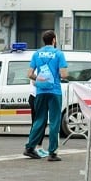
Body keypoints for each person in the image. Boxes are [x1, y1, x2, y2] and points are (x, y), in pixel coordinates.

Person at [23, 30, 68, 162]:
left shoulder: (36, 54)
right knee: (54, 121)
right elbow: (64, 74)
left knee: (39, 120)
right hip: (54, 92)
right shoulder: (59, 54)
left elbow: (30, 74)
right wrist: (57, 76)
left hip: (41, 91)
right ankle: (52, 153)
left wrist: (40, 78)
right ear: (54, 40)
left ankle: (30, 148)